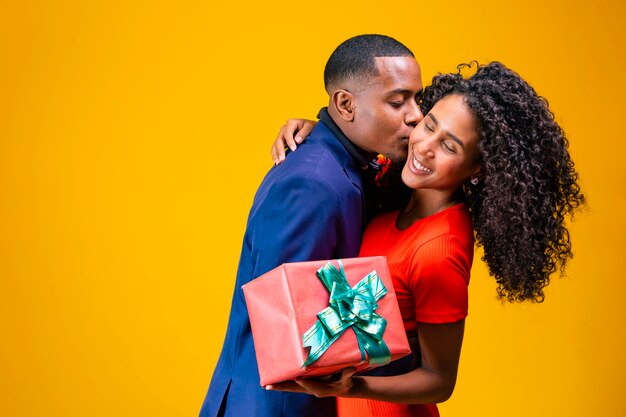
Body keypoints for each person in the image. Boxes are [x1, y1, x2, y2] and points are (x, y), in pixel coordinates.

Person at [267, 61, 584, 417]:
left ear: (478, 169)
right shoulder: (396, 187)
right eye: (429, 124)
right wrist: (319, 133)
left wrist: (353, 384)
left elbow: (439, 380)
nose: (424, 147)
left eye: (449, 146)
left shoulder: (440, 249)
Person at [199, 34, 424, 417]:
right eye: (397, 101)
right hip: (278, 407)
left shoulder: (350, 163)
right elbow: (285, 328)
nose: (416, 114)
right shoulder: (312, 184)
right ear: (346, 104)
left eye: (417, 99)